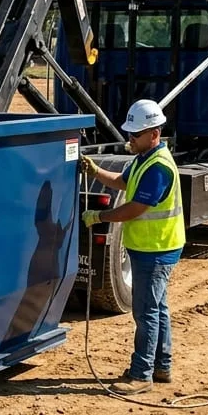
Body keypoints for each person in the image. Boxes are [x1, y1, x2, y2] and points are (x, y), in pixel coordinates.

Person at [79, 99, 186, 395]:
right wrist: (95, 171)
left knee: (145, 312)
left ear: (154, 133)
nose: (130, 138)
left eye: (135, 134)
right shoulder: (143, 159)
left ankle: (141, 374)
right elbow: (123, 182)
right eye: (130, 133)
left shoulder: (158, 167)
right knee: (157, 308)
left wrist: (99, 216)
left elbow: (136, 208)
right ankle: (161, 366)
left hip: (157, 249)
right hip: (152, 247)